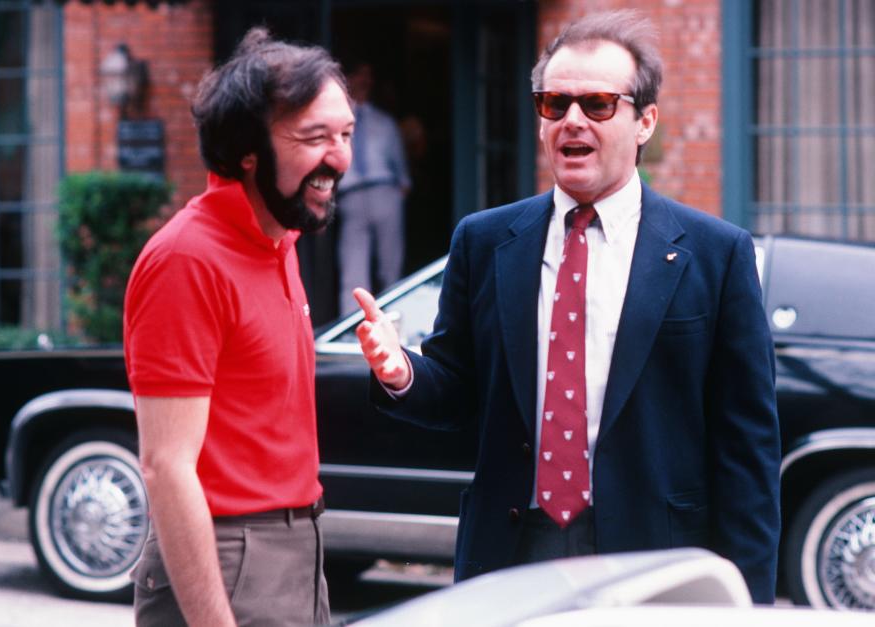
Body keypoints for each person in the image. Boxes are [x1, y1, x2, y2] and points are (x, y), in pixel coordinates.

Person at [353, 9, 780, 604]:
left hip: (655, 558)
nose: (572, 120)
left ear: (644, 121)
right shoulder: (484, 240)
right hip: (512, 552)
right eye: (556, 104)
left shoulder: (715, 254)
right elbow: (456, 389)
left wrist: (747, 605)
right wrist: (401, 373)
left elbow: (747, 452)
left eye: (598, 104)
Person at [123, 28, 352, 626]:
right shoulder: (187, 258)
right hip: (228, 552)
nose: (341, 158)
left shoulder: (281, 239)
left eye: (346, 134)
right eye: (315, 137)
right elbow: (166, 466)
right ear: (247, 150)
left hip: (300, 545)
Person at [337, 62, 412, 315]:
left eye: (368, 76)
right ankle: (352, 328)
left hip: (385, 191)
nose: (364, 81)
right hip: (351, 196)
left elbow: (399, 164)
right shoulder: (336, 121)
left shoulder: (384, 121)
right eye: (359, 75)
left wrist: (401, 189)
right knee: (353, 266)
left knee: (391, 265)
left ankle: (393, 324)